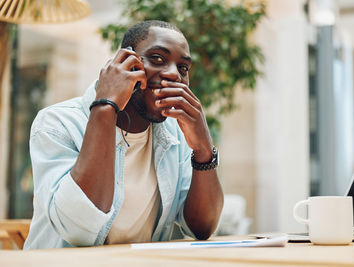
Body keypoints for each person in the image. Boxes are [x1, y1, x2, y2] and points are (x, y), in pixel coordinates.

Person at [24, 20, 224, 249]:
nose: (174, 75)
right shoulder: (57, 123)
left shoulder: (175, 134)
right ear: (124, 62)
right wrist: (106, 104)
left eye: (183, 68)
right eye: (157, 58)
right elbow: (78, 229)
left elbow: (202, 227)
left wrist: (204, 149)